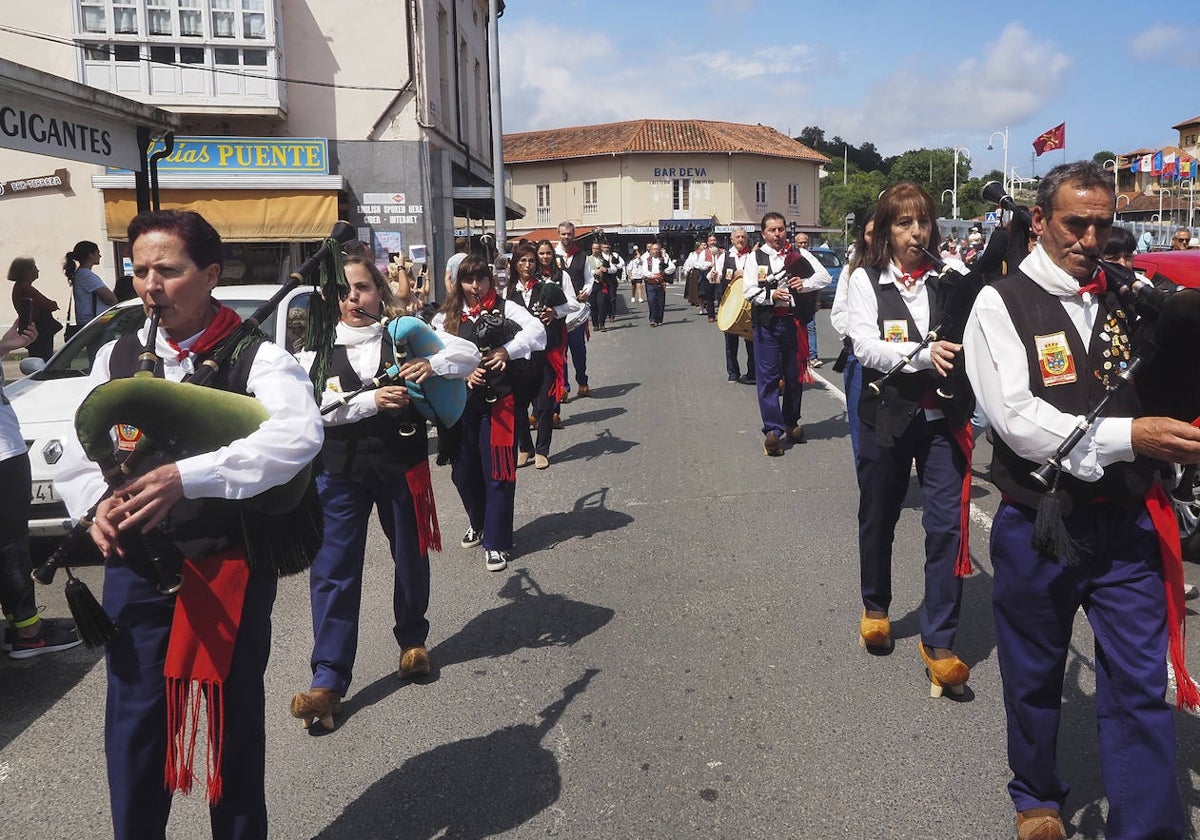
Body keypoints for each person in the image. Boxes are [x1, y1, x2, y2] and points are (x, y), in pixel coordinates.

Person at [54, 209, 323, 840]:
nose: (150, 284)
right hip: (135, 568)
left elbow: (298, 435)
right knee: (134, 725)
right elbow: (82, 441)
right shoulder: (119, 353)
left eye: (168, 270)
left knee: (229, 729)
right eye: (140, 270)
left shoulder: (257, 359)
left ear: (209, 274)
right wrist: (95, 504)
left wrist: (186, 476)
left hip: (223, 568)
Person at [963, 161, 1200, 840]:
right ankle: (1036, 795)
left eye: (1102, 225)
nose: (1090, 238)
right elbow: (1016, 420)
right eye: (1076, 223)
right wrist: (1136, 435)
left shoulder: (1126, 294)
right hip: (1042, 525)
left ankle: (1148, 829)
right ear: (1039, 221)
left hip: (1125, 526)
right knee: (1035, 676)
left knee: (1138, 688)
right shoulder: (998, 302)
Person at [290, 254, 478, 732]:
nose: (353, 298)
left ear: (380, 291)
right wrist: (370, 401)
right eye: (343, 290)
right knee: (332, 571)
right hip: (338, 473)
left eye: (362, 288)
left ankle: (413, 641)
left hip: (403, 463)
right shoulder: (313, 349)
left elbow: (467, 356)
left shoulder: (403, 332)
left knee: (412, 554)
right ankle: (328, 680)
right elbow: (314, 411)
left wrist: (429, 363)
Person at [847, 182, 973, 697]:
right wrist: (924, 356)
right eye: (903, 223)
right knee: (879, 514)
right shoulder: (864, 279)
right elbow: (863, 345)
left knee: (946, 527)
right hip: (887, 415)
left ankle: (939, 639)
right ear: (887, 230)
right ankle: (876, 605)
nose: (915, 232)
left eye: (922, 221)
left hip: (942, 419)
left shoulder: (951, 277)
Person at [433, 255, 545, 572]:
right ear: (459, 282)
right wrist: (462, 373)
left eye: (481, 278)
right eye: (469, 279)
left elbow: (538, 332)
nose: (475, 286)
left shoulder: (507, 308)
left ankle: (496, 542)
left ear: (490, 280)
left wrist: (505, 351)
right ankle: (478, 521)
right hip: (460, 403)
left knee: (498, 471)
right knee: (463, 472)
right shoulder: (447, 317)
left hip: (500, 403)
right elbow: (431, 351)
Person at [0, 316, 81, 658]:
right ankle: (29, 634)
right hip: (3, 454)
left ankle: (21, 627)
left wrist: (4, 347)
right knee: (10, 545)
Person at [743, 212, 831, 455]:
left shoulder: (799, 253)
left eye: (781, 229)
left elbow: (823, 276)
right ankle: (773, 430)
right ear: (764, 234)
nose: (777, 234)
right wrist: (771, 296)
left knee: (794, 376)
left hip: (792, 323)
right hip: (767, 325)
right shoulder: (755, 258)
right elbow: (748, 291)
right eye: (772, 230)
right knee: (768, 378)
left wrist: (805, 285)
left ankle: (791, 421)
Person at [507, 241, 579, 469]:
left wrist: (555, 312)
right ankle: (525, 447)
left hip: (544, 353)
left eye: (531, 260)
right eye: (522, 260)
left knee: (545, 403)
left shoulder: (546, 286)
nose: (527, 265)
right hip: (518, 356)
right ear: (515, 264)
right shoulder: (507, 291)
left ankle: (542, 449)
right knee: (518, 405)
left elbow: (572, 305)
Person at [830, 213, 874, 462]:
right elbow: (839, 314)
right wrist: (864, 335)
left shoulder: (902, 269)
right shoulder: (852, 269)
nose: (875, 238)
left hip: (898, 360)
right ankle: (869, 488)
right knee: (862, 428)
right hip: (858, 357)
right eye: (869, 233)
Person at [711, 226, 756, 382]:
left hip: (749, 303)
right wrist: (714, 276)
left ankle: (752, 373)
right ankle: (733, 373)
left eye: (743, 237)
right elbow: (715, 279)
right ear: (732, 240)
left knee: (751, 341)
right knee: (730, 342)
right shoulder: (724, 256)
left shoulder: (753, 256)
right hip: (731, 303)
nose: (741, 240)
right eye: (737, 237)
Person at [556, 222, 591, 399]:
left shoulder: (582, 256)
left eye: (569, 234)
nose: (566, 237)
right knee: (560, 352)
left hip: (576, 311)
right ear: (559, 234)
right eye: (563, 234)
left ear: (574, 235)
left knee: (579, 351)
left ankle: (582, 381)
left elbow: (589, 279)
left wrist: (586, 291)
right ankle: (563, 386)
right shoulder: (551, 254)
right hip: (558, 313)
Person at [8, 257, 60, 360]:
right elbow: (48, 304)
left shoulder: (19, 287)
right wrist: (53, 304)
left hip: (33, 328)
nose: (38, 270)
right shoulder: (26, 288)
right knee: (42, 358)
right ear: (27, 271)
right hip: (38, 330)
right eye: (35, 267)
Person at [63, 240, 117, 329]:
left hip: (88, 322)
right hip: (93, 323)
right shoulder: (86, 275)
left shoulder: (80, 274)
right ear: (90, 255)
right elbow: (111, 299)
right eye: (97, 253)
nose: (100, 256)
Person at [793, 231, 822, 368]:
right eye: (800, 243)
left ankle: (813, 356)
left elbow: (820, 282)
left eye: (805, 242)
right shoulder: (791, 257)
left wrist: (817, 301)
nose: (803, 245)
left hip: (809, 301)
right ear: (795, 243)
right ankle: (800, 356)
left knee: (811, 328)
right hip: (795, 303)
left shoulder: (813, 259)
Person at [638, 242, 676, 327]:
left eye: (657, 249)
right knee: (651, 301)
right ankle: (653, 319)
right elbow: (644, 271)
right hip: (650, 283)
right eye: (653, 249)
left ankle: (659, 319)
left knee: (660, 302)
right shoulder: (646, 260)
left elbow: (672, 267)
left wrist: (663, 273)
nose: (655, 251)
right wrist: (652, 275)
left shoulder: (664, 259)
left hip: (660, 283)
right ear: (650, 251)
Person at [587, 241, 610, 332]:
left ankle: (602, 324)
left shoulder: (603, 259)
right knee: (593, 305)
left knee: (602, 304)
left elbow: (611, 268)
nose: (595, 250)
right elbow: (586, 271)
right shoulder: (587, 259)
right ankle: (595, 324)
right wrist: (594, 271)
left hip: (601, 284)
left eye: (597, 248)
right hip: (592, 284)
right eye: (594, 248)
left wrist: (606, 269)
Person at [599, 241, 624, 324]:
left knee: (612, 298)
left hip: (612, 278)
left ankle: (612, 315)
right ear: (601, 248)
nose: (606, 249)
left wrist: (615, 266)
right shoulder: (599, 256)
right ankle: (603, 315)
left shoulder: (615, 255)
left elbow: (622, 264)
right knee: (603, 298)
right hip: (602, 279)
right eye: (604, 247)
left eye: (608, 247)